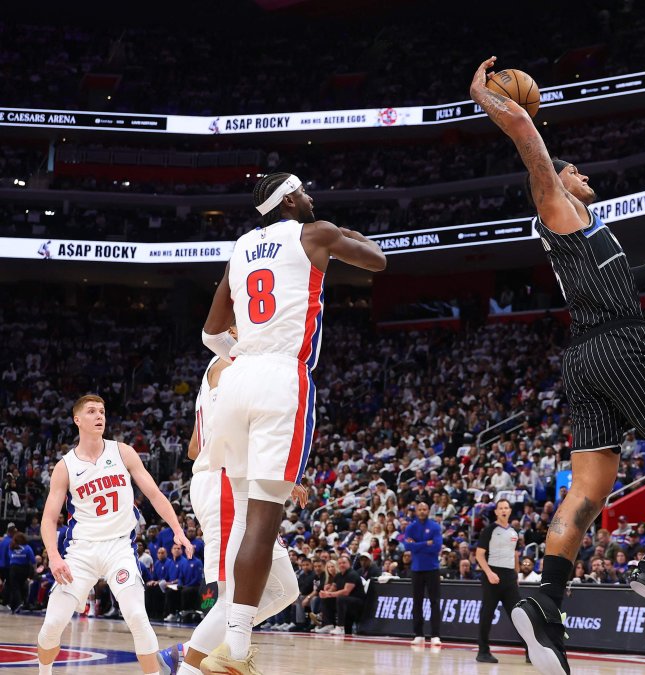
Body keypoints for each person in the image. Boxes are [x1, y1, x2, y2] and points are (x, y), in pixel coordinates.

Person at [470, 57, 645, 675]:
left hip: (584, 357)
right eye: (572, 170)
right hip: (618, 348)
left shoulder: (585, 232)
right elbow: (532, 146)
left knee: (588, 492)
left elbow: (623, 283)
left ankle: (545, 601)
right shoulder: (557, 204)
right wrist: (490, 99)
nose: (581, 174)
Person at [199, 171, 385, 673]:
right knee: (263, 522)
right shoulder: (315, 233)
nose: (312, 196)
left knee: (243, 523)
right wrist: (339, 230)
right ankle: (235, 650)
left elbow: (211, 332)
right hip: (282, 376)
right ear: (289, 200)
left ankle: (224, 646)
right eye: (304, 191)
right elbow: (378, 260)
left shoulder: (239, 248)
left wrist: (243, 356)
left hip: (237, 380)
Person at [157, 351, 303, 675]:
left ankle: (189, 651)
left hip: (229, 479)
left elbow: (194, 447)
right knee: (230, 597)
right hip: (227, 481)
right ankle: (188, 664)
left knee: (284, 589)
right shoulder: (237, 363)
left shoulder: (214, 368)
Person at [37, 395, 193, 675]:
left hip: (119, 548)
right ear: (77, 420)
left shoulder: (123, 452)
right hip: (80, 552)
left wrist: (178, 530)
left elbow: (154, 494)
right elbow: (49, 518)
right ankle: (44, 671)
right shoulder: (65, 466)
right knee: (52, 625)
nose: (100, 416)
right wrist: (54, 556)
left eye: (102, 411)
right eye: (92, 411)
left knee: (136, 615)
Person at [475, 499, 521, 663]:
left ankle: (531, 650)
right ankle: (483, 651)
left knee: (519, 614)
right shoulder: (490, 530)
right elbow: (479, 554)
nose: (503, 510)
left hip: (509, 577)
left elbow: (515, 555)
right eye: (500, 508)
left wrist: (517, 575)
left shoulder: (514, 532)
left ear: (509, 511)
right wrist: (489, 573)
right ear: (496, 512)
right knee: (487, 614)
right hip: (492, 576)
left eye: (506, 508)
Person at [406, 501, 443, 646]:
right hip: (416, 569)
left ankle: (435, 635)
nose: (422, 511)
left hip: (432, 569)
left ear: (428, 511)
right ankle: (419, 634)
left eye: (424, 509)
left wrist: (417, 545)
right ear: (416, 511)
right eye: (419, 509)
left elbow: (437, 547)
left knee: (435, 602)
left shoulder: (434, 526)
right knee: (417, 602)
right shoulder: (410, 527)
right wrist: (425, 543)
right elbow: (407, 546)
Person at [317, 556, 365, 635]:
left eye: (344, 563)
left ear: (349, 563)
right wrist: (325, 593)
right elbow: (333, 588)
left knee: (341, 598)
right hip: (345, 601)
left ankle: (340, 627)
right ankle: (328, 624)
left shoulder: (352, 574)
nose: (341, 565)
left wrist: (329, 594)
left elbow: (346, 592)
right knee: (326, 598)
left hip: (357, 602)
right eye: (340, 563)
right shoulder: (338, 575)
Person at [5, 532, 34, 612]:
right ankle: (20, 603)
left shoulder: (11, 547)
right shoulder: (27, 548)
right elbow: (32, 560)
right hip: (24, 569)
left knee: (15, 587)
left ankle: (18, 603)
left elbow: (9, 557)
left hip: (14, 568)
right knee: (21, 586)